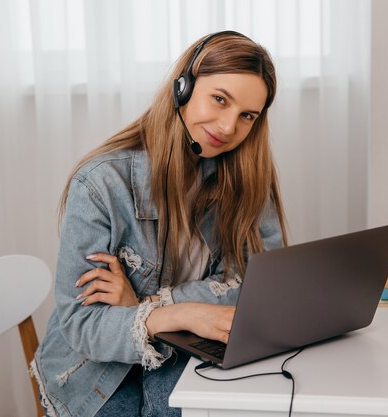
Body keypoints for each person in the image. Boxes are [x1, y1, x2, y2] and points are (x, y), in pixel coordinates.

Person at [31, 30, 288, 417]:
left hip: (185, 349)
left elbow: (264, 287)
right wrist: (182, 314)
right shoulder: (100, 184)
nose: (229, 126)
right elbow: (83, 324)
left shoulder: (248, 179)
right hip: (95, 371)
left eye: (246, 115)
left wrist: (147, 306)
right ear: (183, 87)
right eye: (220, 99)